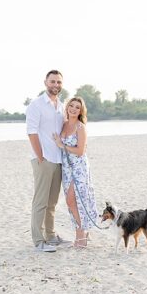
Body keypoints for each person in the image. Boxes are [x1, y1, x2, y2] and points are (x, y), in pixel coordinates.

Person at [25, 70, 71, 252]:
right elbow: (32, 132)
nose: (56, 85)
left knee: (52, 202)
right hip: (43, 159)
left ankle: (51, 236)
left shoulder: (60, 105)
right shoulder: (36, 105)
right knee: (40, 201)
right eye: (52, 81)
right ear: (45, 82)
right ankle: (38, 241)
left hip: (58, 158)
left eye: (59, 82)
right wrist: (40, 157)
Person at [52, 96, 98, 249]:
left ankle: (81, 234)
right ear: (67, 108)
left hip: (79, 168)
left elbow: (80, 151)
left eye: (77, 107)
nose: (73, 109)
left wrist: (61, 145)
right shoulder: (63, 125)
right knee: (71, 201)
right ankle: (83, 232)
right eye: (71, 106)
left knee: (73, 200)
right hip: (66, 168)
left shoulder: (80, 127)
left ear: (81, 111)